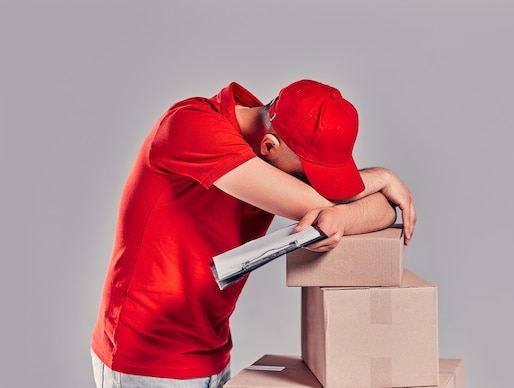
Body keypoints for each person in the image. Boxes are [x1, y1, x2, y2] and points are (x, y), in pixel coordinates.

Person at [90, 79, 416, 388]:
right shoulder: (191, 127)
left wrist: (343, 216)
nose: (314, 186)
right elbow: (326, 205)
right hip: (148, 358)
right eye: (309, 176)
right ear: (269, 146)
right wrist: (381, 178)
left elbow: (383, 211)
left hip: (210, 348)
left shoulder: (274, 152)